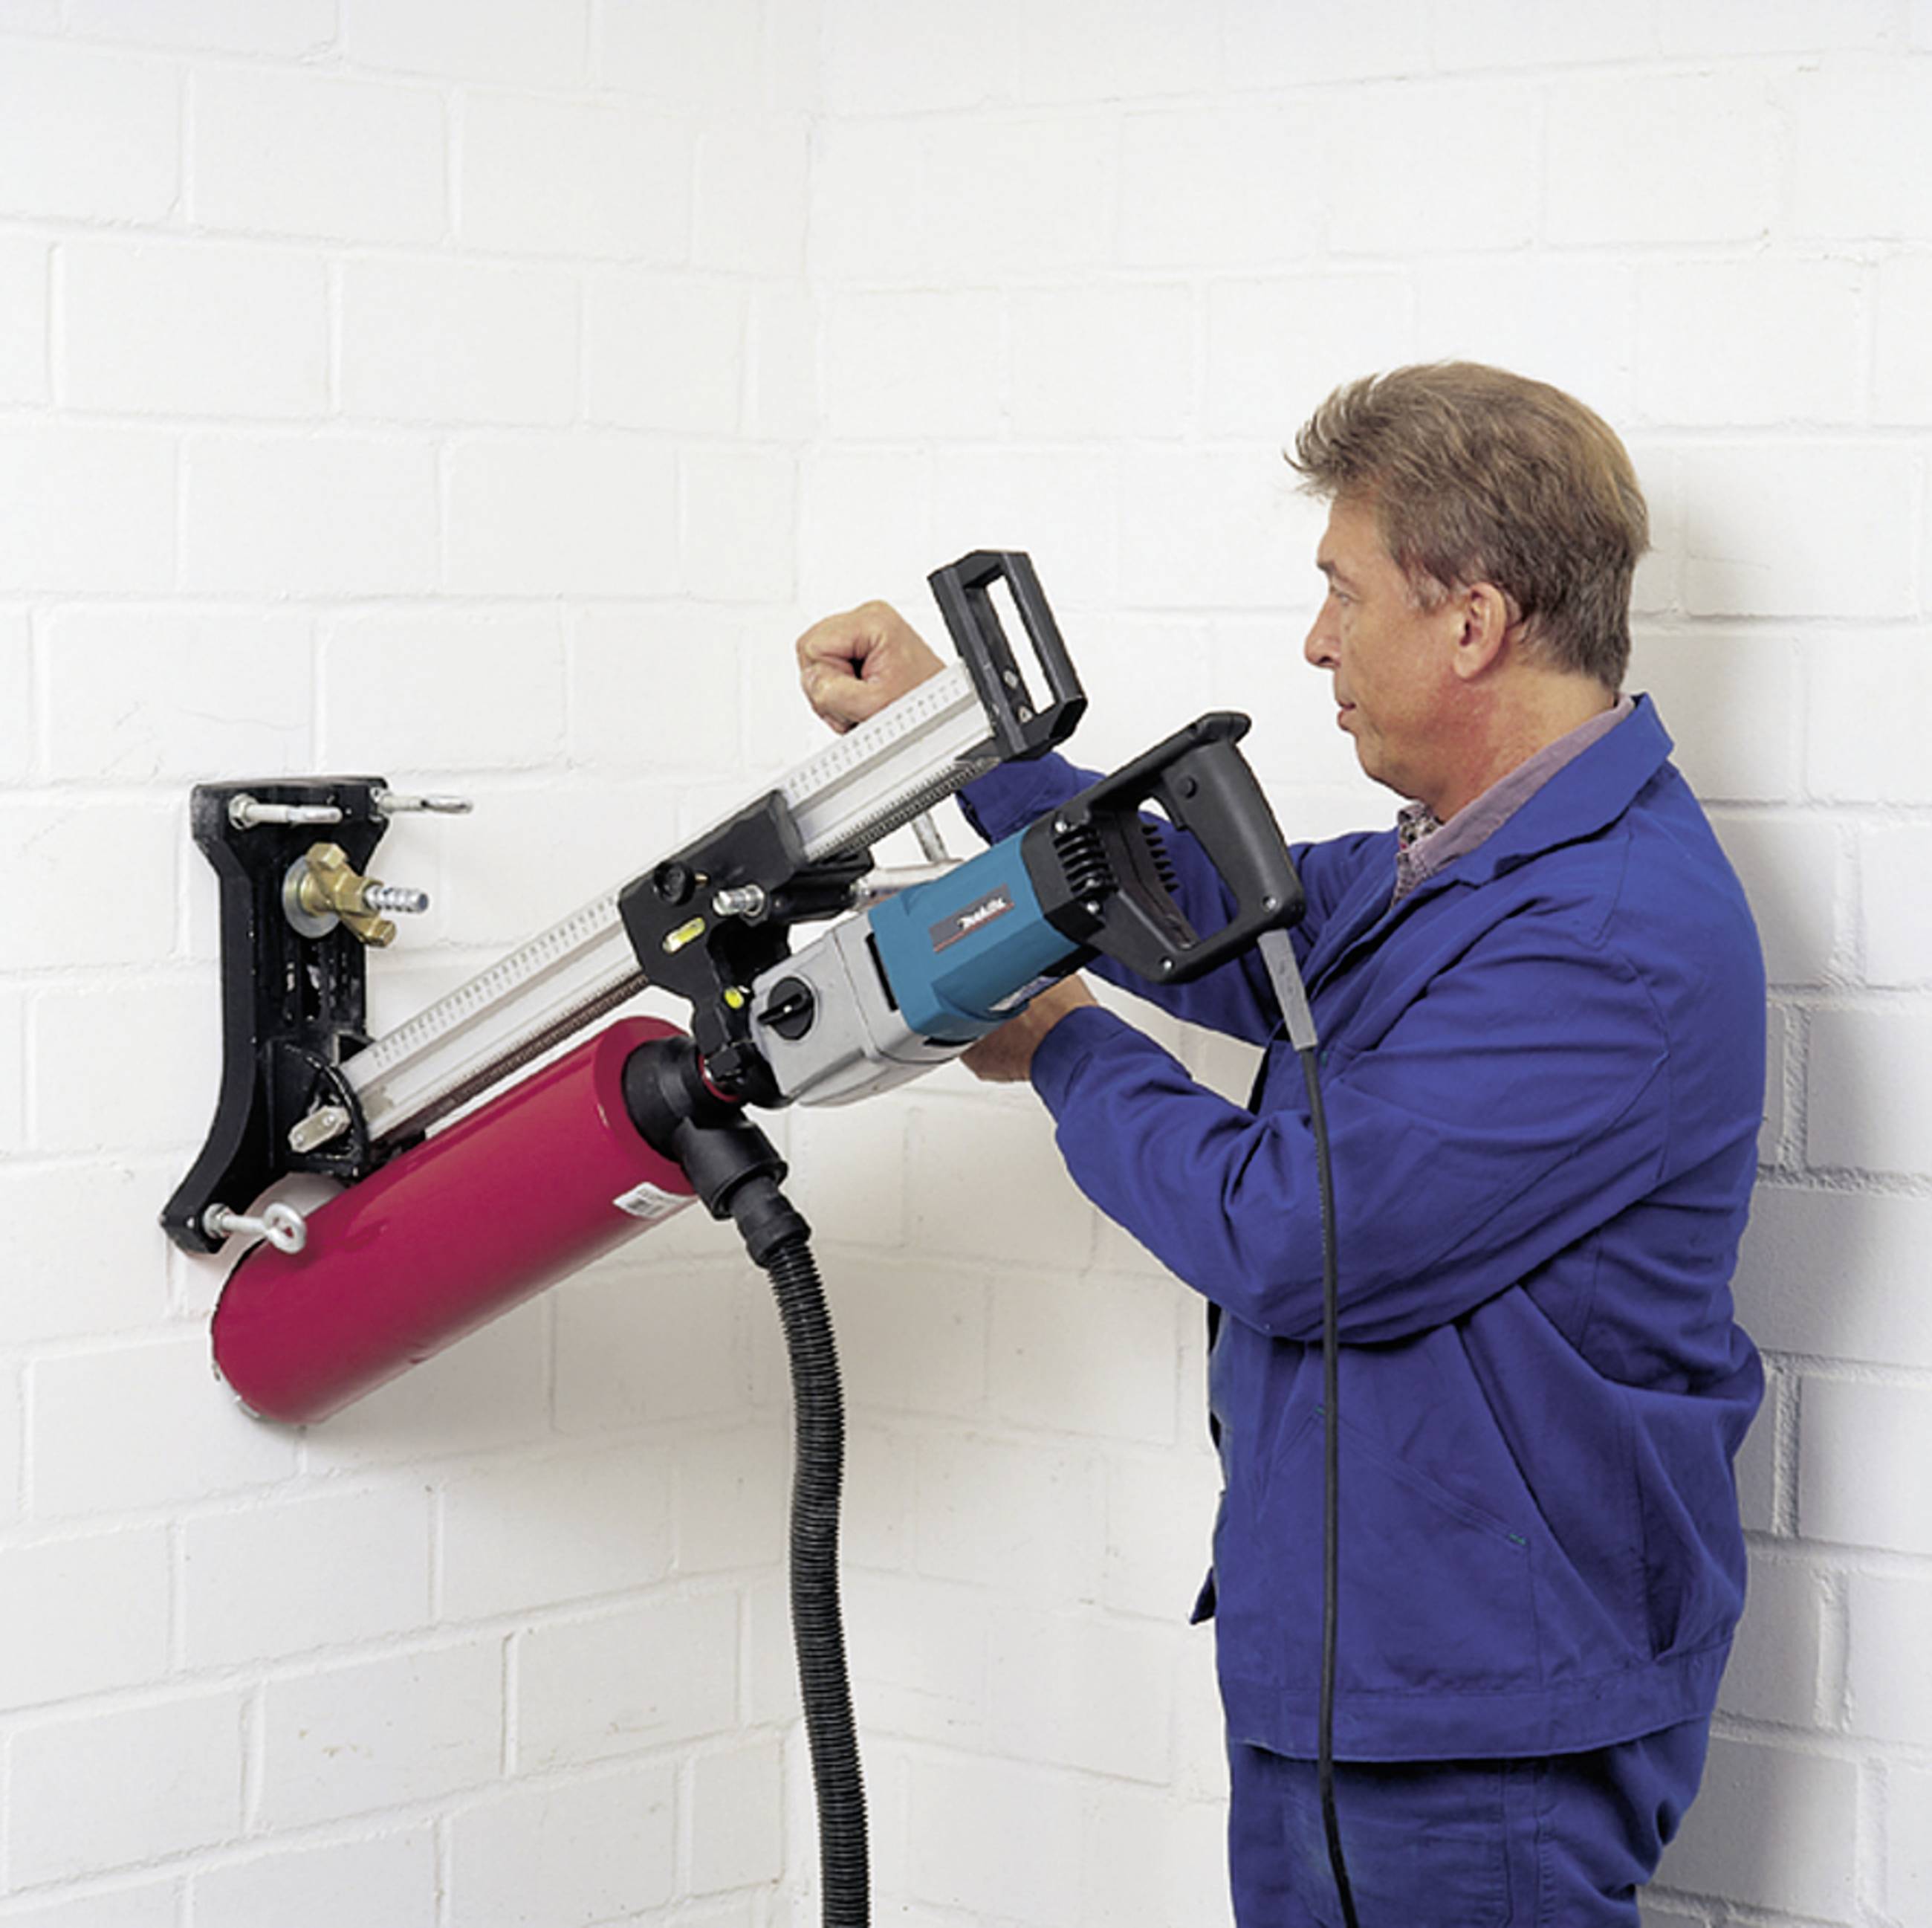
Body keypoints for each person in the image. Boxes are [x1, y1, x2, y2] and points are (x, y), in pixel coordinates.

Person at [794, 362, 1765, 1927]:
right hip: (1365, 1670)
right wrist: (951, 740)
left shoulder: (1603, 932)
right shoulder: (1471, 861)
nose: (1317, 640)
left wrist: (1060, 1045)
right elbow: (1220, 914)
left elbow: (1298, 1234)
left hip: (1480, 1726)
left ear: (1472, 621)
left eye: (1343, 591)